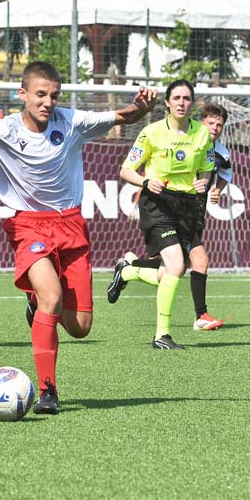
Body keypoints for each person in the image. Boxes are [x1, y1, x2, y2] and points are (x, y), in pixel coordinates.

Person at [0, 61, 157, 415]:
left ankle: (36, 303)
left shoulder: (72, 121)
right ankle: (48, 391)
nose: (47, 102)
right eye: (41, 95)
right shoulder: (2, 129)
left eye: (54, 96)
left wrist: (142, 107)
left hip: (71, 225)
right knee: (52, 296)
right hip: (29, 225)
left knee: (80, 327)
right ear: (23, 94)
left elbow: (123, 116)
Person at [106, 79, 214, 350]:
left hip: (188, 205)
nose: (181, 103)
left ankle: (127, 272)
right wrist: (145, 182)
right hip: (157, 202)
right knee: (176, 265)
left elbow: (207, 167)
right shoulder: (151, 132)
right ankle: (161, 336)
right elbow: (126, 170)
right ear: (166, 102)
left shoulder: (202, 134)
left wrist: (203, 182)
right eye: (176, 98)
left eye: (186, 98)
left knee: (171, 271)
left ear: (192, 103)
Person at [119, 103, 231, 331]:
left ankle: (129, 268)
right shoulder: (184, 142)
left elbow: (225, 174)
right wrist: (143, 192)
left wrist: (217, 189)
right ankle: (200, 316)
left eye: (219, 125)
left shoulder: (221, 153)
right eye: (211, 123)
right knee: (198, 261)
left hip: (194, 213)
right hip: (172, 210)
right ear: (201, 122)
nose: (215, 128)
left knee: (172, 270)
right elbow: (157, 172)